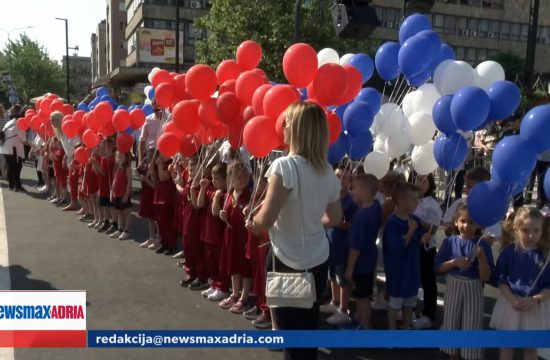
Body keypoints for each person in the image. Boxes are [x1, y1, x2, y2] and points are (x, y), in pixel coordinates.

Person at [245, 102, 342, 360]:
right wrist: (309, 223)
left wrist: (253, 223)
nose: (282, 125)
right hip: (317, 259)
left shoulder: (284, 167)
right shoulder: (327, 171)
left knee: (290, 338)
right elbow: (335, 217)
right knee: (308, 331)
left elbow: (265, 219)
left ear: (299, 129)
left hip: (286, 260)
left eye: (287, 121)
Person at [435, 203, 494, 360]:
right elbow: (438, 267)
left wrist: (481, 258)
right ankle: (452, 355)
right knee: (451, 320)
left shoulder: (483, 245)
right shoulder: (449, 242)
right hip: (454, 284)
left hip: (473, 286)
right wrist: (454, 262)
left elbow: (486, 277)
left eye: (471, 222)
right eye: (463, 221)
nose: (466, 226)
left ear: (479, 225)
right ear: (456, 221)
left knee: (472, 323)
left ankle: (470, 355)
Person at [490, 207, 550, 360]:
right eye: (525, 230)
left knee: (530, 348)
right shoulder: (509, 252)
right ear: (516, 229)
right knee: (507, 346)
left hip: (535, 306)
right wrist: (512, 300)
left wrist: (535, 299)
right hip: (511, 304)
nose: (531, 235)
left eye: (536, 230)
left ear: (542, 230)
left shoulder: (546, 254)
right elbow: (501, 279)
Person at [382, 182, 424, 331]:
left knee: (409, 304)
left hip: (411, 270)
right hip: (397, 272)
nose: (417, 202)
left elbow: (418, 242)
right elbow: (396, 248)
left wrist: (423, 238)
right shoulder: (392, 223)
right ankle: (392, 333)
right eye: (413, 199)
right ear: (401, 201)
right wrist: (410, 232)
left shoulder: (415, 220)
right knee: (395, 303)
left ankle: (406, 328)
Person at [344, 173, 382, 330]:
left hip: (361, 262)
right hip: (370, 257)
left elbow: (355, 247)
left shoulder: (360, 216)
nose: (351, 189)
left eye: (355, 188)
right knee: (361, 294)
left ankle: (366, 326)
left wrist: (349, 269)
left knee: (362, 297)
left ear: (366, 191)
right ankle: (358, 319)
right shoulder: (376, 206)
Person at [324, 163, 358, 326]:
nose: (340, 180)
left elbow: (351, 225)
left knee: (343, 277)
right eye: (338, 176)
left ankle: (344, 309)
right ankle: (335, 301)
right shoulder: (330, 197)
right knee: (332, 274)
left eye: (345, 177)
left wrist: (336, 221)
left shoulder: (351, 202)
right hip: (330, 243)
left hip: (343, 245)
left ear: (350, 181)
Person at [218, 161, 253, 313]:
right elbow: (225, 216)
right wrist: (223, 216)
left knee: (245, 268)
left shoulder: (249, 196)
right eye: (239, 177)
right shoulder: (228, 195)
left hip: (244, 237)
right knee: (233, 265)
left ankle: (244, 298)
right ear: (231, 179)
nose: (243, 179)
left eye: (245, 176)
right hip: (230, 234)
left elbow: (251, 217)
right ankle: (235, 293)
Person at [412, 174, 443, 329]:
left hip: (426, 248)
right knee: (411, 278)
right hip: (411, 245)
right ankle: (409, 310)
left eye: (424, 181)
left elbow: (434, 227)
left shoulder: (431, 204)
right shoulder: (410, 198)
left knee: (428, 281)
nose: (420, 182)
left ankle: (429, 314)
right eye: (418, 179)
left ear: (430, 185)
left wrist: (416, 221)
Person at [197, 162, 230, 301]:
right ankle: (215, 283)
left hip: (218, 234)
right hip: (208, 231)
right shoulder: (212, 189)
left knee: (219, 261)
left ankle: (222, 287)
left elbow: (215, 212)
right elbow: (199, 204)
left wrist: (216, 197)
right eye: (213, 178)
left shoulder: (225, 194)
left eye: (217, 179)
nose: (214, 181)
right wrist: (203, 188)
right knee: (210, 259)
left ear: (225, 180)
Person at [442, 167, 501, 244]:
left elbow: (492, 237)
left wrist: (475, 246)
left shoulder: (488, 209)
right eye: (466, 186)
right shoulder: (459, 203)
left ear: (484, 187)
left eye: (470, 187)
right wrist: (451, 228)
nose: (467, 190)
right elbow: (447, 223)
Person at [0, 113, 28, 192]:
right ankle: (17, 186)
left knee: (10, 167)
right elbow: (24, 140)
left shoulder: (9, 123)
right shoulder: (19, 124)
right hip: (13, 149)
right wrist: (31, 144)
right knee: (17, 167)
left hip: (4, 148)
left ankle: (11, 185)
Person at [109, 150, 133, 240]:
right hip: (117, 194)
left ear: (126, 158)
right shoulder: (117, 168)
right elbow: (114, 181)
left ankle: (126, 230)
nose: (119, 159)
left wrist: (126, 195)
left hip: (124, 194)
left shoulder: (128, 168)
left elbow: (129, 184)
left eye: (121, 157)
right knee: (119, 212)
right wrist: (112, 193)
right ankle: (120, 229)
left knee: (126, 212)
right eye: (117, 157)